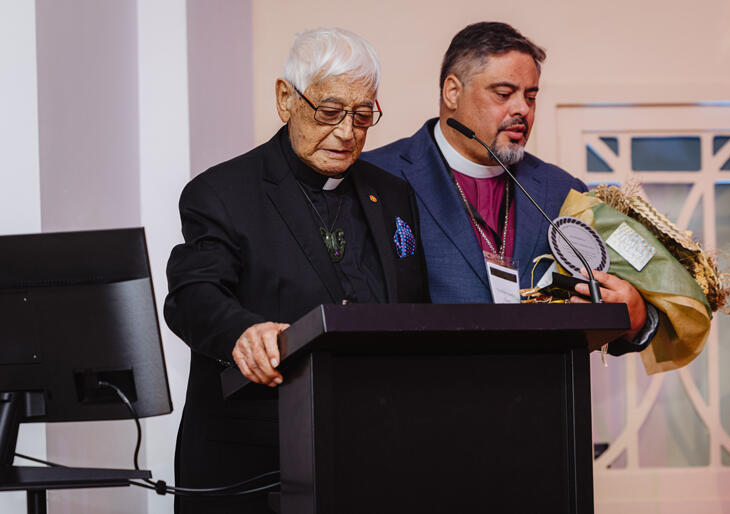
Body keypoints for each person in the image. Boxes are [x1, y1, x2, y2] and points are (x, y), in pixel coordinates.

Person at [164, 28, 429, 514]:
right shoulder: (223, 193)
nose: (347, 132)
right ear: (286, 99)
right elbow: (193, 293)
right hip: (257, 464)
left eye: (363, 114)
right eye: (329, 112)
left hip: (373, 453)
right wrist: (241, 332)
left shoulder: (391, 194)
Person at [363, 21, 657, 349]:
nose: (522, 109)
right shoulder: (376, 176)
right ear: (452, 91)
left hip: (545, 390)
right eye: (504, 94)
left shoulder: (562, 190)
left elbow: (610, 300)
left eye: (530, 97)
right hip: (425, 389)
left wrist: (638, 317)